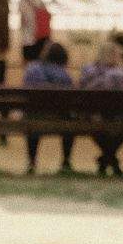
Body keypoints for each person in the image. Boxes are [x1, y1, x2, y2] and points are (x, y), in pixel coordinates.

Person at [78, 37, 123, 177]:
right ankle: (111, 159)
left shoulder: (88, 71)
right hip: (117, 117)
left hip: (93, 117)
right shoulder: (121, 73)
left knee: (95, 127)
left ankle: (106, 158)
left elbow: (81, 91)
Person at [20, 40, 75, 174]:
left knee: (33, 121)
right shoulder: (64, 75)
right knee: (71, 123)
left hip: (34, 116)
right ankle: (66, 161)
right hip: (59, 119)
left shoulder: (32, 68)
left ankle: (32, 161)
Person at [16, 0, 49, 64]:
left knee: (29, 71)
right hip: (41, 38)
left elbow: (24, 21)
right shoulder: (38, 0)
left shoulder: (23, 1)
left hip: (28, 39)